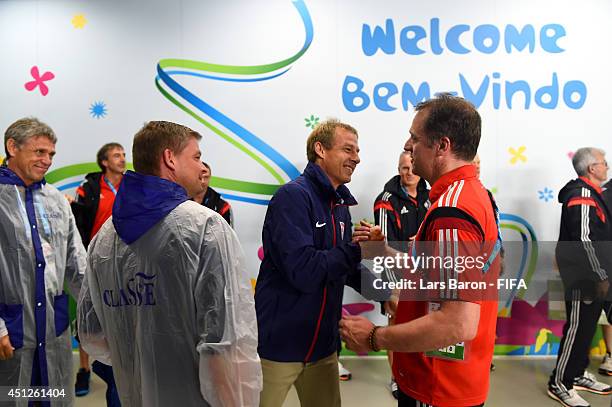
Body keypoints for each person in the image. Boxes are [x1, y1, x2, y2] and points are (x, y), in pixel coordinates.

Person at [77, 121, 262, 406]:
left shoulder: (105, 236)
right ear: (169, 159)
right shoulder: (205, 227)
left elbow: (92, 332)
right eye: (196, 157)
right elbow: (224, 341)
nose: (203, 168)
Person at [340, 94, 502, 407]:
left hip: (438, 384)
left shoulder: (453, 211)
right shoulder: (463, 196)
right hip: (443, 379)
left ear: (442, 145)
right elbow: (435, 272)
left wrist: (375, 337)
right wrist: (384, 251)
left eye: (415, 137)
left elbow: (456, 323)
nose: (408, 144)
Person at [255, 118, 393, 407]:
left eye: (357, 151)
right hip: (279, 348)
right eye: (348, 149)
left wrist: (385, 289)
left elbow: (345, 268)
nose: (356, 158)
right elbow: (302, 271)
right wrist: (358, 250)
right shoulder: (292, 197)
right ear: (320, 149)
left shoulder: (340, 206)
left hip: (323, 349)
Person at [0, 117, 85, 404]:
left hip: (52, 327)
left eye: (51, 154)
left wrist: (98, 312)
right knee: (11, 396)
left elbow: (76, 262)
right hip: (9, 333)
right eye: (39, 152)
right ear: (13, 147)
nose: (47, 160)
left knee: (52, 396)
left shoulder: (56, 200)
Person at [548, 147, 612, 406]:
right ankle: (559, 382)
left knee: (587, 328)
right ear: (591, 169)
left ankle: (576, 373)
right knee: (577, 329)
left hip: (595, 276)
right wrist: (599, 275)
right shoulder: (582, 195)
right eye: (603, 162)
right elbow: (584, 241)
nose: (607, 165)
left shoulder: (594, 195)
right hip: (584, 277)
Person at [69, 142, 126, 403]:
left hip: (125, 265)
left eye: (124, 154)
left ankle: (120, 369)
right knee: (88, 320)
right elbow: (78, 222)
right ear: (104, 161)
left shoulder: (131, 186)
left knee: (120, 321)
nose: (123, 159)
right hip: (93, 264)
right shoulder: (90, 188)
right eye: (117, 155)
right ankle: (84, 369)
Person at [373, 151, 429, 398]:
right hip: (398, 275)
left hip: (427, 275)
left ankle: (419, 373)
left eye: (412, 168)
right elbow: (383, 248)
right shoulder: (385, 200)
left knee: (424, 326)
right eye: (403, 168)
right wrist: (391, 290)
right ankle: (397, 377)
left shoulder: (433, 194)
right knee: (396, 327)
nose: (409, 174)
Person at [193, 162, 233, 227]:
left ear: (210, 178)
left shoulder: (221, 205)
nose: (202, 181)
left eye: (206, 177)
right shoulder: (181, 199)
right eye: (199, 177)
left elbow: (227, 235)